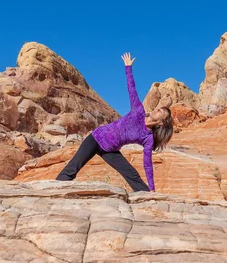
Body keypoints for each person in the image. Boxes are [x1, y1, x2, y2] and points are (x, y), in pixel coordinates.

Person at [56, 52, 173, 192]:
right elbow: (132, 89)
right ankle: (54, 190)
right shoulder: (138, 111)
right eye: (158, 109)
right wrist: (128, 67)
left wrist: (152, 189)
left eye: (160, 112)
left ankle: (148, 196)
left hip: (110, 150)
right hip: (96, 138)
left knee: (132, 175)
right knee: (73, 167)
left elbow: (147, 164)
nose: (156, 110)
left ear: (161, 123)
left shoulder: (148, 138)